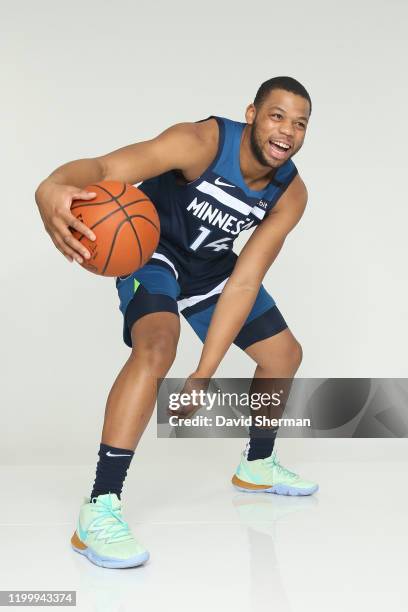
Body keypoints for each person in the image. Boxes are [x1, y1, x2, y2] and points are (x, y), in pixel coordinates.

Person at [35, 76, 318, 569]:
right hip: (152, 253)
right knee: (158, 346)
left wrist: (203, 374)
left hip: (210, 267)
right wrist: (52, 186)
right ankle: (100, 507)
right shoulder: (201, 142)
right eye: (277, 116)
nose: (287, 131)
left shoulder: (290, 193)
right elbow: (104, 167)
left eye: (299, 124)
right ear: (251, 114)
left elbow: (246, 280)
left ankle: (256, 465)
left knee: (283, 355)